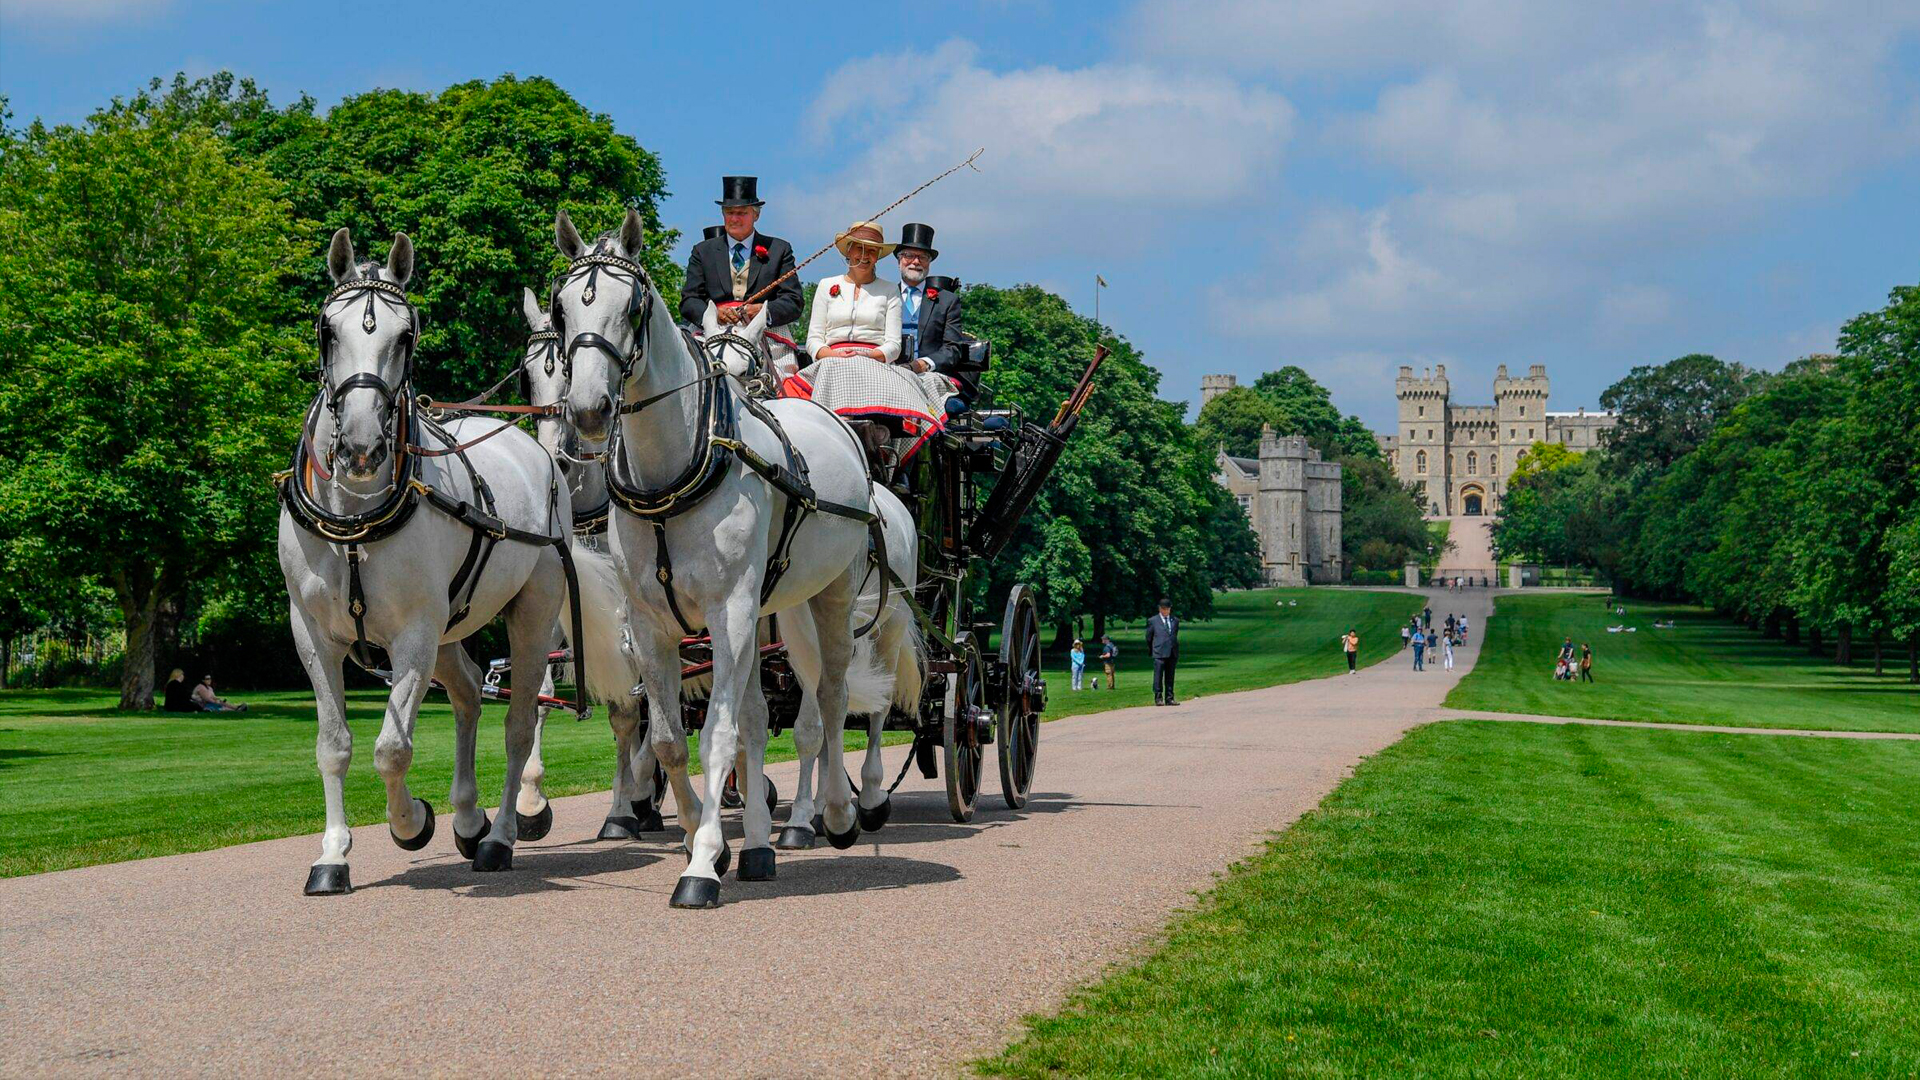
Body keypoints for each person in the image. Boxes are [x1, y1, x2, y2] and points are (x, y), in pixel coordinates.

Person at [790, 221, 955, 466]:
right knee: (788, 394)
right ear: (848, 251)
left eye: (871, 250)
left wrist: (870, 356)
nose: (864, 256)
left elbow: (892, 345)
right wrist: (828, 355)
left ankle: (885, 455)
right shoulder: (826, 286)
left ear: (878, 256)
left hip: (873, 360)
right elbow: (814, 338)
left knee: (892, 385)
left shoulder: (889, 290)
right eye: (859, 248)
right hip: (830, 360)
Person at [678, 176, 804, 331]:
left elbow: (793, 300)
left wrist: (763, 311)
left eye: (742, 213)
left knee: (787, 356)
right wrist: (714, 314)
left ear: (756, 215)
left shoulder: (779, 249)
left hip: (765, 332)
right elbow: (689, 299)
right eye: (729, 212)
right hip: (713, 330)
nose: (734, 219)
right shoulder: (703, 251)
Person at [893, 223, 983, 408]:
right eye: (909, 255)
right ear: (899, 260)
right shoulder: (883, 296)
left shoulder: (947, 301)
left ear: (929, 263)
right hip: (889, 371)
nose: (915, 262)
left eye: (923, 257)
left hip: (930, 375)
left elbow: (952, 349)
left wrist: (922, 364)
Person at [1145, 598, 1180, 706]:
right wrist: (1153, 648)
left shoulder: (1175, 620)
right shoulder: (1153, 621)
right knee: (1158, 676)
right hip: (1159, 652)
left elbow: (1174, 635)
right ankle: (1158, 697)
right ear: (1160, 609)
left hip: (1172, 652)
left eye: (1167, 609)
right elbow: (1148, 637)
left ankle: (1170, 698)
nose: (1165, 611)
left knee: (1170, 676)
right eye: (1163, 609)